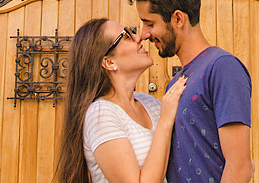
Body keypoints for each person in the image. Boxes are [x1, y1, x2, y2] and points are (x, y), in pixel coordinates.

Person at [129, 0, 253, 183]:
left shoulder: (222, 68)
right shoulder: (175, 84)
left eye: (150, 23)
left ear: (178, 18)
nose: (144, 34)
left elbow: (240, 167)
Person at [56, 17, 188, 183]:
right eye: (126, 36)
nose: (139, 38)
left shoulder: (150, 103)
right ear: (109, 62)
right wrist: (165, 121)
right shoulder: (101, 115)